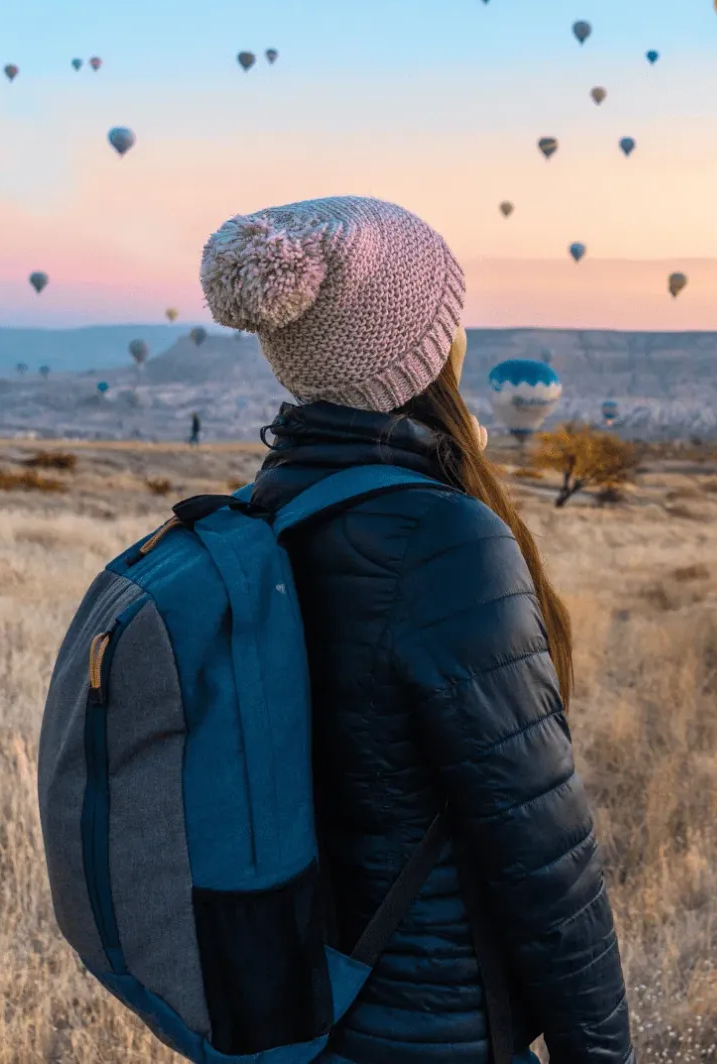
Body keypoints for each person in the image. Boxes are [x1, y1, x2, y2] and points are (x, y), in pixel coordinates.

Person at [199, 197, 634, 1064]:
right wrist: (601, 1051)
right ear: (431, 349)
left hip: (292, 1011)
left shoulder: (265, 513)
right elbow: (541, 844)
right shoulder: (441, 538)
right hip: (432, 1022)